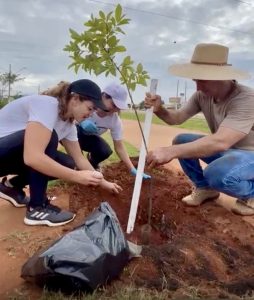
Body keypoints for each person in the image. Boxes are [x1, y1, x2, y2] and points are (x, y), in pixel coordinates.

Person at [145, 42, 254, 216]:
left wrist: (171, 151)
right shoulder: (202, 96)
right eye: (196, 80)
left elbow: (221, 141)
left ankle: (251, 194)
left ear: (220, 76)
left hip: (249, 154)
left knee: (216, 174)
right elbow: (177, 118)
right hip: (230, 152)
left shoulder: (246, 98)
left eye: (202, 81)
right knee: (181, 140)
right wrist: (160, 109)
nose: (198, 87)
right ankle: (205, 188)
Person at [0, 79, 122, 227]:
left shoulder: (68, 124)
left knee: (69, 163)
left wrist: (104, 183)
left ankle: (11, 186)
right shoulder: (47, 105)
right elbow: (32, 157)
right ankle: (37, 208)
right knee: (51, 138)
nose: (91, 114)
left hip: (11, 157)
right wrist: (77, 177)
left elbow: (79, 159)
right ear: (75, 99)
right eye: (90, 108)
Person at [77, 82, 151, 179]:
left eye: (118, 107)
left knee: (105, 151)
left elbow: (119, 147)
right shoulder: (88, 104)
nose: (115, 110)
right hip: (71, 135)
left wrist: (132, 169)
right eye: (113, 104)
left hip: (89, 139)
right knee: (76, 162)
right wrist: (80, 121)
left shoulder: (115, 121)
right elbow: (66, 118)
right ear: (103, 96)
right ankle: (79, 165)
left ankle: (92, 163)